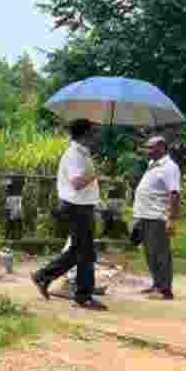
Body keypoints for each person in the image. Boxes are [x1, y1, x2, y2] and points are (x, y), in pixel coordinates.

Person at [32, 119, 107, 311]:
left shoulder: (82, 153)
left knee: (77, 251)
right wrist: (95, 174)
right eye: (94, 132)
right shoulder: (74, 154)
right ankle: (83, 297)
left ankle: (43, 276)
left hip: (82, 207)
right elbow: (76, 183)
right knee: (86, 254)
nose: (97, 136)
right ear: (85, 134)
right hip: (77, 208)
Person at [133, 136, 182, 300]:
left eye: (150, 147)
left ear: (161, 148)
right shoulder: (152, 165)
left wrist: (172, 220)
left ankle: (165, 290)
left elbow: (174, 194)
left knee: (160, 254)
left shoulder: (170, 167)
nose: (147, 151)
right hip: (145, 216)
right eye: (147, 148)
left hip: (157, 217)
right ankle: (156, 284)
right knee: (150, 253)